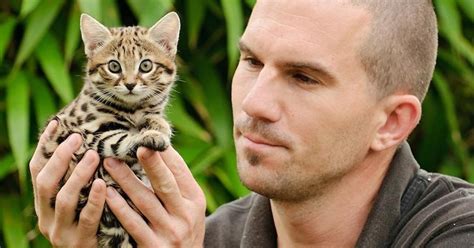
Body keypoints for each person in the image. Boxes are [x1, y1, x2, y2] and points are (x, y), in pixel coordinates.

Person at [30, 0, 474, 247]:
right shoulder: (206, 237)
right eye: (251, 60)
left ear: (392, 123)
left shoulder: (455, 231)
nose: (254, 103)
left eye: (304, 77)